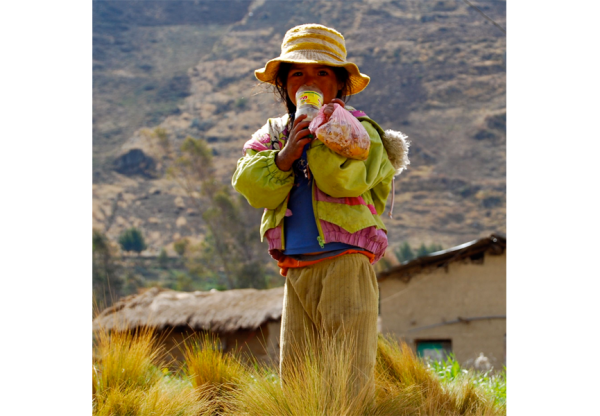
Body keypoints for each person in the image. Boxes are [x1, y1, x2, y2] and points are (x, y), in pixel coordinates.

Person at [232, 23, 409, 399]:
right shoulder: (275, 134)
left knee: (348, 371)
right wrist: (283, 157)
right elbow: (248, 184)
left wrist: (324, 137)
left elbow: (341, 182)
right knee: (298, 374)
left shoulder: (363, 132)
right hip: (296, 266)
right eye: (297, 73)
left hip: (344, 261)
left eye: (322, 72)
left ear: (340, 84)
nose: (308, 80)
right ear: (284, 85)